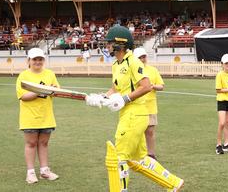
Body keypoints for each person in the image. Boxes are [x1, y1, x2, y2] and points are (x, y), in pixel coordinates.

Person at [84, 25, 183, 191]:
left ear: (120, 44)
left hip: (135, 114)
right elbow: (115, 89)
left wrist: (125, 99)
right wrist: (101, 97)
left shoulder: (133, 61)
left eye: (109, 43)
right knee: (139, 159)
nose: (107, 46)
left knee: (119, 158)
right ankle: (173, 183)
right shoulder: (116, 64)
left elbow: (146, 86)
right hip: (127, 114)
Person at [16, 48, 60, 184]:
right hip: (29, 117)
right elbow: (23, 96)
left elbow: (57, 90)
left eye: (40, 59)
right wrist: (41, 90)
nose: (37, 62)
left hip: (46, 116)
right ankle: (30, 172)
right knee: (31, 143)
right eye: (34, 59)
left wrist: (52, 90)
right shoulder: (23, 76)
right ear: (28, 61)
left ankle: (44, 171)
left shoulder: (50, 74)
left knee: (44, 143)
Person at [133, 47, 165, 160]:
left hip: (150, 105)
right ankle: (138, 154)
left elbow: (161, 86)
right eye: (140, 57)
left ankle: (151, 154)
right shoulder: (132, 70)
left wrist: (153, 86)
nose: (142, 59)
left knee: (150, 131)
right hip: (137, 105)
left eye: (144, 57)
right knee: (137, 131)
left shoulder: (153, 70)